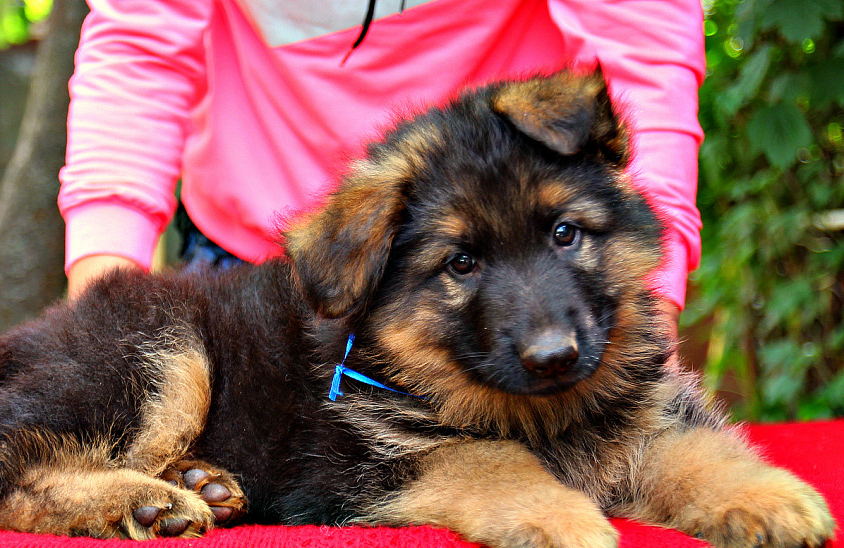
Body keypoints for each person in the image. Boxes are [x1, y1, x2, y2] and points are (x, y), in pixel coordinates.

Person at [59, 0, 705, 336]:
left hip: (510, 262)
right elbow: (138, 56)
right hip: (247, 265)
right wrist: (101, 314)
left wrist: (653, 305)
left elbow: (642, 56)